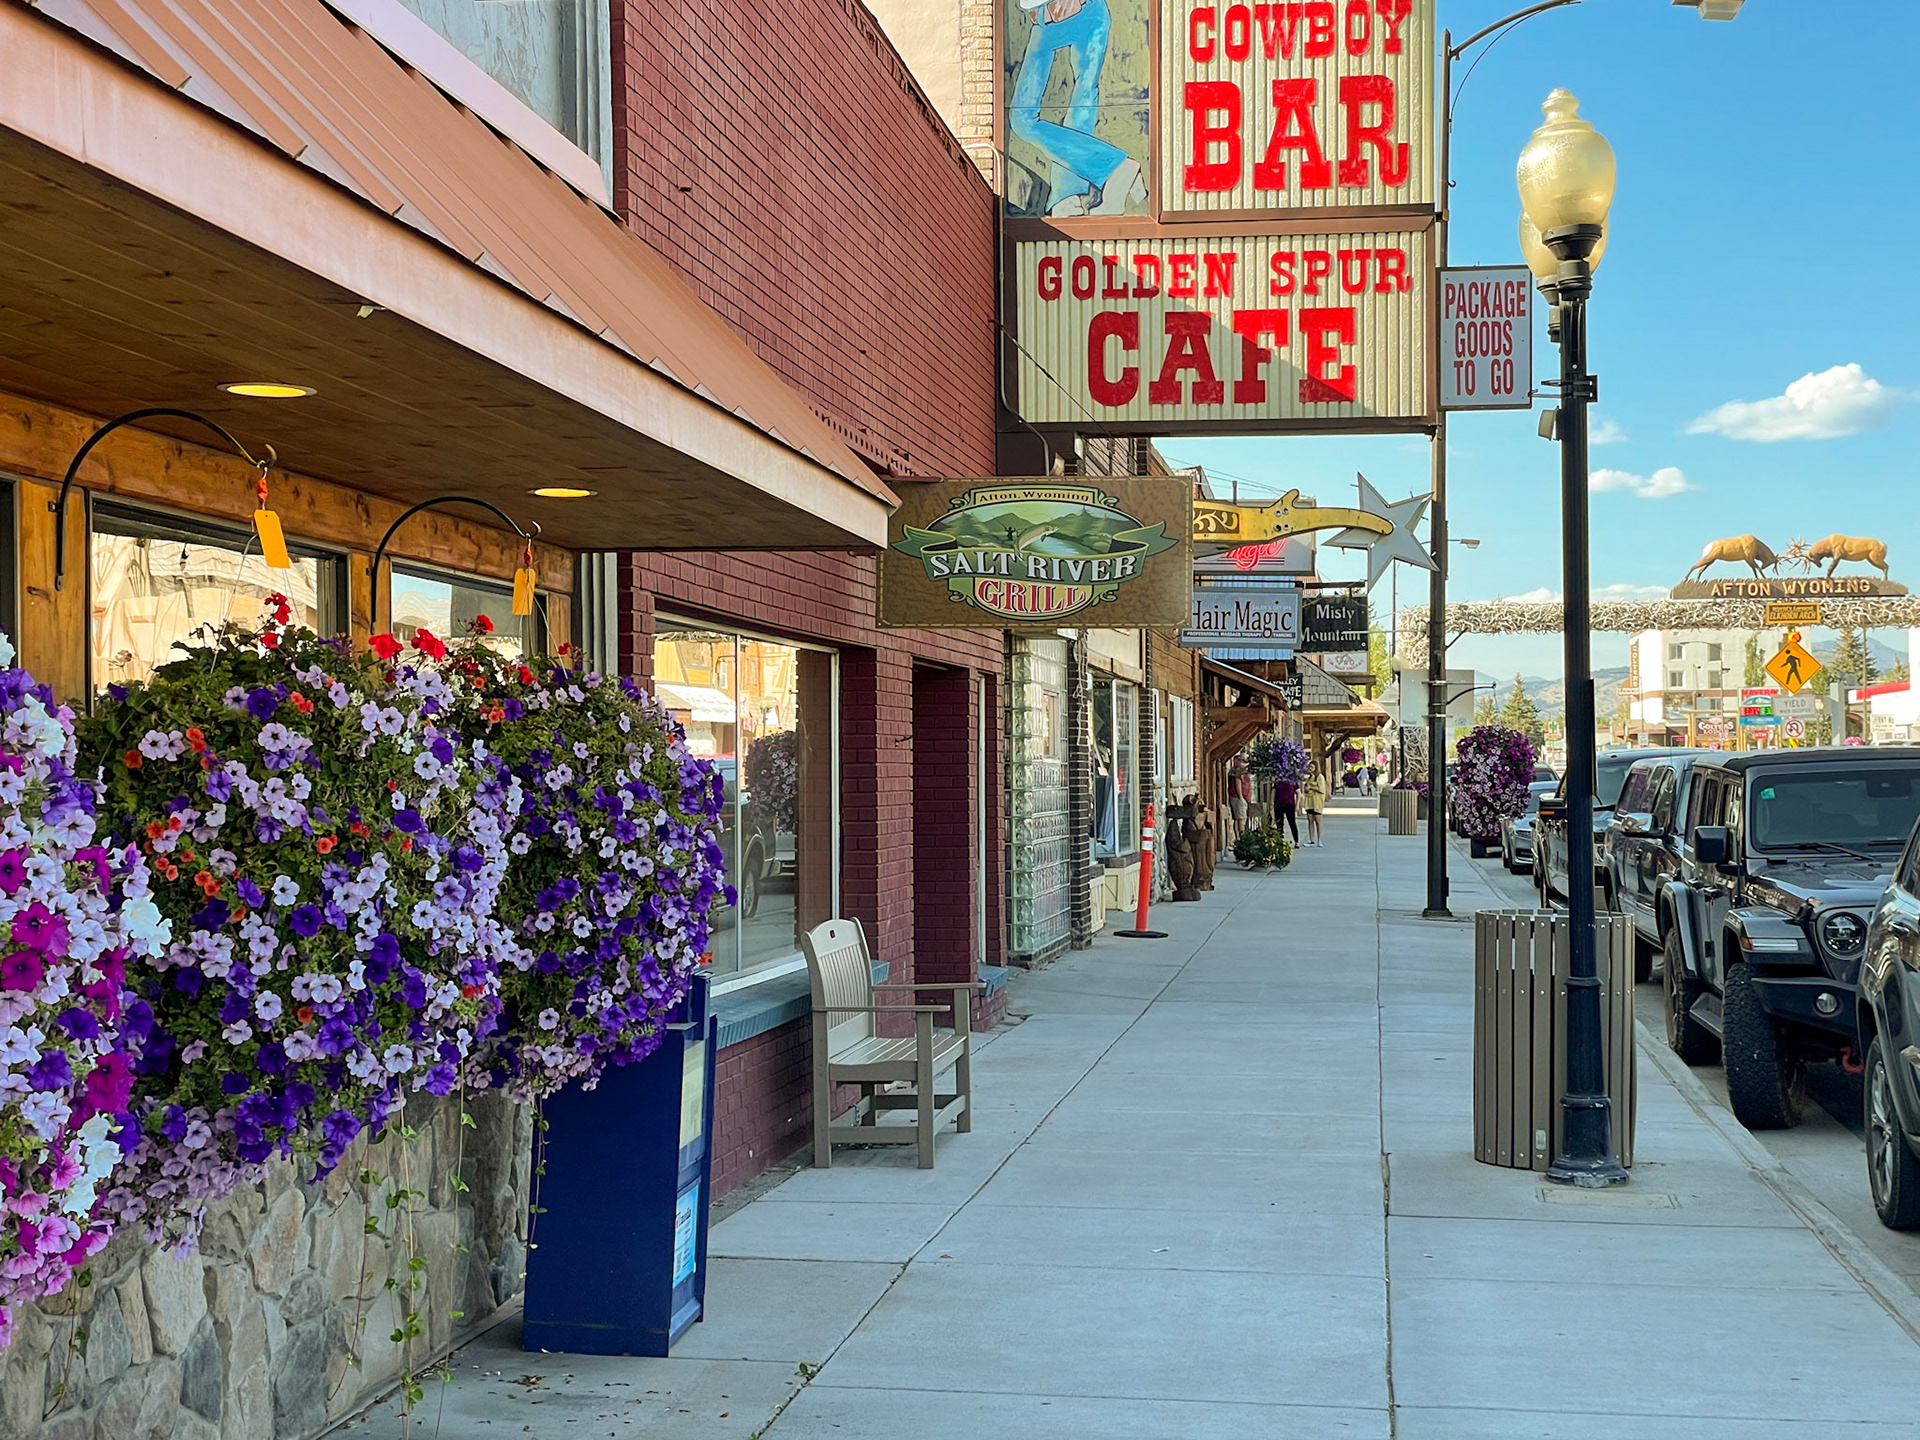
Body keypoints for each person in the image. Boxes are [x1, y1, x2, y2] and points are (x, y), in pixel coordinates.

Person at [1009, 0, 1148, 218]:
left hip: (1086, 12)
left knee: (1081, 107)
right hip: (1044, 19)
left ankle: (1067, 196)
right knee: (1021, 118)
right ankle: (1117, 167)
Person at [1228, 758, 1251, 841]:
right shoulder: (1238, 771)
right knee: (1241, 819)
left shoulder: (1241, 771)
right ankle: (1241, 838)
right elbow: (1238, 784)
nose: (1246, 763)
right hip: (1239, 798)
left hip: (1241, 798)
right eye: (1243, 761)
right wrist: (1241, 797)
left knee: (1238, 818)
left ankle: (1238, 838)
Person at [1302, 769, 1326, 846]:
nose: (1310, 769)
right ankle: (1311, 840)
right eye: (1309, 767)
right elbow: (1305, 789)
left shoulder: (1320, 777)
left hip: (1317, 802)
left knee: (1318, 821)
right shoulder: (1309, 778)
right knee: (1310, 821)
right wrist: (1306, 789)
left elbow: (1321, 789)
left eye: (1312, 767)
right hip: (1309, 801)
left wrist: (1311, 787)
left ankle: (1319, 839)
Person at [1273, 772, 1299, 844]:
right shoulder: (1278, 781)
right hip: (1279, 804)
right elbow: (1273, 792)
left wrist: (1297, 805)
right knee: (1279, 824)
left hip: (1289, 804)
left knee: (1292, 823)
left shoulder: (1292, 781)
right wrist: (1271, 805)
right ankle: (1280, 840)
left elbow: (1299, 793)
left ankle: (1296, 841)